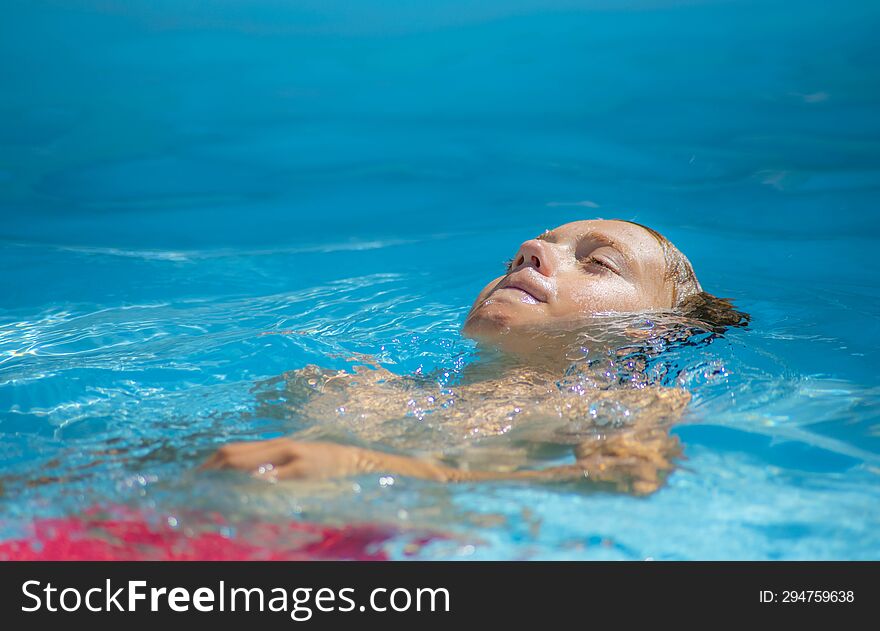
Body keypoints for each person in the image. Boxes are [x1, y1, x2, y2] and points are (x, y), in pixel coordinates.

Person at [202, 219, 747, 494]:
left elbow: (625, 480)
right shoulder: (358, 387)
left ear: (657, 328)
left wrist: (376, 468)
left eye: (599, 263)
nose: (531, 253)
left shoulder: (630, 400)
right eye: (517, 256)